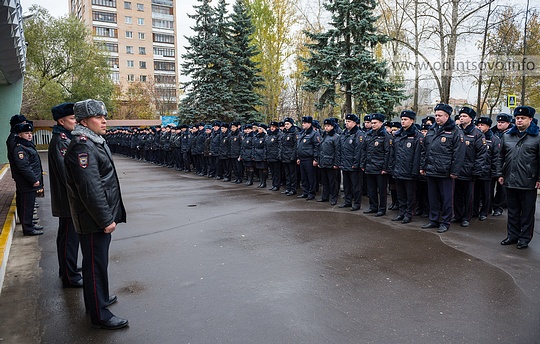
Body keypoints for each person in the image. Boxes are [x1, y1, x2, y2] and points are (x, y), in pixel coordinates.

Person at [64, 99, 128, 329]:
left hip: (95, 217)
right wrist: (105, 219)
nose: (104, 120)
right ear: (83, 122)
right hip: (93, 219)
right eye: (98, 117)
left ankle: (98, 300)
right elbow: (90, 189)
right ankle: (99, 315)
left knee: (97, 264)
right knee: (94, 266)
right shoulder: (83, 146)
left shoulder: (92, 142)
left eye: (104, 116)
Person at [48, 102, 83, 288]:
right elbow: (66, 173)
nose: (75, 121)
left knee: (67, 236)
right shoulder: (61, 140)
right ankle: (70, 276)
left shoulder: (64, 137)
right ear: (61, 121)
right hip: (68, 199)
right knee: (69, 238)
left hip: (66, 198)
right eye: (72, 119)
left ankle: (67, 269)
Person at [498, 106, 540, 249]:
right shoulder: (507, 136)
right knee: (513, 211)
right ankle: (512, 235)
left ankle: (524, 238)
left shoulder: (537, 137)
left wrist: (539, 179)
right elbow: (500, 156)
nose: (519, 120)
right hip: (510, 179)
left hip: (529, 181)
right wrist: (501, 173)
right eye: (517, 118)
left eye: (522, 118)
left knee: (527, 212)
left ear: (530, 119)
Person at [420, 103, 465, 233]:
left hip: (446, 172)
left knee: (446, 199)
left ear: (447, 116)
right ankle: (433, 220)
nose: (437, 117)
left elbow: (459, 154)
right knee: (433, 198)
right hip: (431, 169)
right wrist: (423, 166)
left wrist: (454, 171)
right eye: (436, 115)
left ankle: (445, 222)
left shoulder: (455, 131)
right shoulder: (432, 129)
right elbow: (425, 150)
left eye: (440, 115)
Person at [453, 106, 487, 227]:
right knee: (456, 194)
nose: (461, 118)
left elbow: (482, 154)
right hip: (456, 169)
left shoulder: (477, 134)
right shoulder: (455, 131)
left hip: (469, 170)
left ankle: (466, 217)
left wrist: (477, 169)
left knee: (468, 196)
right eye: (460, 116)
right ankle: (457, 215)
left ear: (471, 118)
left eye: (464, 116)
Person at [10, 122, 44, 236]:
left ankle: (29, 223)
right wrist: (33, 179)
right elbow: (23, 166)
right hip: (27, 182)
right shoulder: (20, 148)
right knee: (26, 205)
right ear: (19, 135)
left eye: (30, 133)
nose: (29, 135)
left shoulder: (27, 145)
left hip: (29, 182)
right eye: (26, 133)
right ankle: (28, 228)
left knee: (27, 205)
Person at [390, 110, 422, 223]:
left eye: (406, 119)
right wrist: (392, 168)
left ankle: (409, 214)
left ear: (412, 121)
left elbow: (418, 155)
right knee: (401, 195)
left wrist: (415, 171)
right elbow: (393, 153)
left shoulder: (417, 135)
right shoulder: (397, 135)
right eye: (402, 119)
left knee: (410, 195)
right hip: (398, 170)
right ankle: (402, 212)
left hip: (409, 171)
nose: (403, 121)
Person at [362, 113, 392, 216]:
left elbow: (388, 153)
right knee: (371, 189)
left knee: (382, 190)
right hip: (370, 166)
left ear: (381, 123)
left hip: (380, 168)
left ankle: (382, 209)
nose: (373, 125)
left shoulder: (385, 135)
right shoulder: (369, 135)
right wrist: (363, 164)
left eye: (375, 123)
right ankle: (373, 206)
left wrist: (385, 168)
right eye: (372, 123)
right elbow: (364, 150)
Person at [473, 116, 500, 221]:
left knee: (486, 194)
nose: (479, 127)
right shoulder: (476, 136)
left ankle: (484, 211)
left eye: (482, 125)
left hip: (487, 172)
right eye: (478, 125)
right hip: (476, 171)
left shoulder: (494, 139)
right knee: (475, 193)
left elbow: (496, 157)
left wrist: (494, 172)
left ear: (488, 126)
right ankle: (474, 211)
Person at [338, 114, 364, 210]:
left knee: (356, 186)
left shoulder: (359, 134)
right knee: (346, 185)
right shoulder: (344, 133)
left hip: (353, 165)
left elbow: (359, 151)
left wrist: (355, 164)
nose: (346, 123)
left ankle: (357, 203)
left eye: (349, 121)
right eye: (346, 121)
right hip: (345, 164)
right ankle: (347, 201)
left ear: (354, 123)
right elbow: (340, 148)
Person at [296, 116, 321, 200]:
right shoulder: (302, 133)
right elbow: (299, 146)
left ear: (309, 124)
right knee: (304, 177)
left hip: (309, 158)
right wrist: (298, 157)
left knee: (311, 177)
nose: (303, 124)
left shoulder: (314, 133)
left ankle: (311, 193)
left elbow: (317, 146)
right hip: (302, 158)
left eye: (305, 123)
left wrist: (315, 159)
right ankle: (305, 192)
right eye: (302, 123)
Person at [317, 118, 340, 205]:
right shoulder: (324, 136)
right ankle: (325, 196)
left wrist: (336, 163)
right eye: (325, 126)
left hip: (331, 163)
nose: (326, 128)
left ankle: (334, 198)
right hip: (323, 162)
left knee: (332, 182)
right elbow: (320, 150)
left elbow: (337, 151)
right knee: (325, 182)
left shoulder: (336, 137)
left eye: (328, 126)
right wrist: (319, 161)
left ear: (332, 126)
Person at [280, 118, 298, 195]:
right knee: (287, 174)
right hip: (284, 156)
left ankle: (293, 189)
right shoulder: (284, 133)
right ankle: (288, 188)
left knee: (292, 174)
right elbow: (281, 145)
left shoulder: (294, 132)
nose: (286, 126)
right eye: (285, 124)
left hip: (291, 156)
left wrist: (293, 156)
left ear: (291, 124)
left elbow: (295, 145)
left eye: (288, 124)